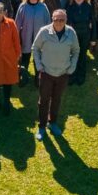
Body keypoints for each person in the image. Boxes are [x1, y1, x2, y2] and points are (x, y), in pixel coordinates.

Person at [32, 9, 80, 140]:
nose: (59, 22)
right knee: (44, 100)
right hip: (46, 73)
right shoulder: (44, 31)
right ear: (52, 19)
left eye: (62, 20)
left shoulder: (71, 32)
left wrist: (72, 67)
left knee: (57, 99)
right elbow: (35, 48)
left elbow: (76, 50)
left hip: (63, 73)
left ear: (66, 20)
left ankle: (52, 122)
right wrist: (39, 66)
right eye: (56, 19)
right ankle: (42, 126)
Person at [16, 0, 51, 87]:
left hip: (39, 38)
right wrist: (16, 37)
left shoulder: (43, 7)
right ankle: (23, 77)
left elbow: (48, 22)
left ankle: (38, 79)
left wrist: (48, 36)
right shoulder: (23, 6)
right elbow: (17, 23)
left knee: (38, 59)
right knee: (25, 59)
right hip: (26, 38)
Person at [65, 0, 93, 86]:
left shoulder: (88, 7)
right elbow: (68, 23)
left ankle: (81, 76)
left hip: (85, 34)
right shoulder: (70, 7)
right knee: (73, 54)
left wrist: (93, 38)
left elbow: (93, 22)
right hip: (73, 34)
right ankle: (72, 75)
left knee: (82, 55)